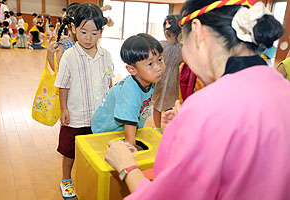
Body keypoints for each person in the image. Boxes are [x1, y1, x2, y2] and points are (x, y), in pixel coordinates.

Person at [105, 0, 290, 199]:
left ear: (197, 31)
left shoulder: (206, 109)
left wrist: (127, 166)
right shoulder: (283, 88)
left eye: (184, 42)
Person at [54, 3, 113, 199]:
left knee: (95, 149)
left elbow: (109, 82)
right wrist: (63, 109)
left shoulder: (106, 55)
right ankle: (66, 179)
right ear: (74, 29)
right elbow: (63, 84)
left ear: (101, 32)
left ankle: (89, 178)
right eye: (83, 31)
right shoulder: (69, 56)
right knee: (69, 151)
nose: (88, 38)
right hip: (76, 115)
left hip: (99, 116)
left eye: (94, 33)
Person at [91, 33, 164, 147]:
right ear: (132, 69)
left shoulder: (149, 81)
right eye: (150, 63)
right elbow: (130, 141)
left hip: (123, 128)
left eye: (160, 59)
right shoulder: (130, 93)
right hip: (106, 130)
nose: (158, 67)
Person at [151, 15, 182, 132]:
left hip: (160, 77)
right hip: (174, 79)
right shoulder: (182, 48)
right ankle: (169, 127)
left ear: (166, 32)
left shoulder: (161, 45)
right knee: (170, 104)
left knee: (157, 105)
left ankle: (157, 128)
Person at [47, 2, 80, 72]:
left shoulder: (87, 45)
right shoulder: (63, 46)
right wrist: (50, 59)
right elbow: (60, 72)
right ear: (71, 26)